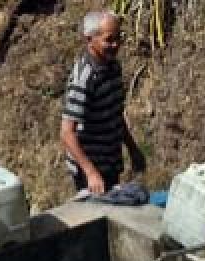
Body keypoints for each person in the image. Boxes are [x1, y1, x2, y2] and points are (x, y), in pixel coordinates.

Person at [60, 10, 145, 195]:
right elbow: (67, 134)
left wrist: (132, 148)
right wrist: (90, 172)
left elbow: (114, 113)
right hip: (90, 168)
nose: (115, 45)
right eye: (109, 40)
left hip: (110, 161)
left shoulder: (112, 66)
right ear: (89, 39)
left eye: (118, 38)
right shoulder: (84, 78)